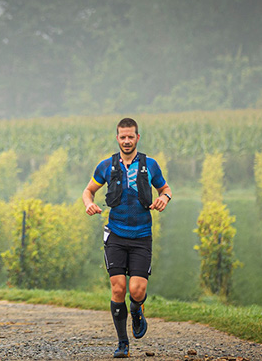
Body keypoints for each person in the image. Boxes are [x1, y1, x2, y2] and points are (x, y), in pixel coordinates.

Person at [82, 117, 172, 358]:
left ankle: (137, 309)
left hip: (142, 236)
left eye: (131, 136)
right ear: (117, 138)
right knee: (118, 288)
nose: (127, 140)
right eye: (122, 136)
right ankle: (123, 343)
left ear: (137, 138)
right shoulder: (106, 166)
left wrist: (164, 198)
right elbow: (88, 191)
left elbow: (165, 188)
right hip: (116, 235)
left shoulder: (150, 165)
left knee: (137, 290)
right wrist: (89, 204)